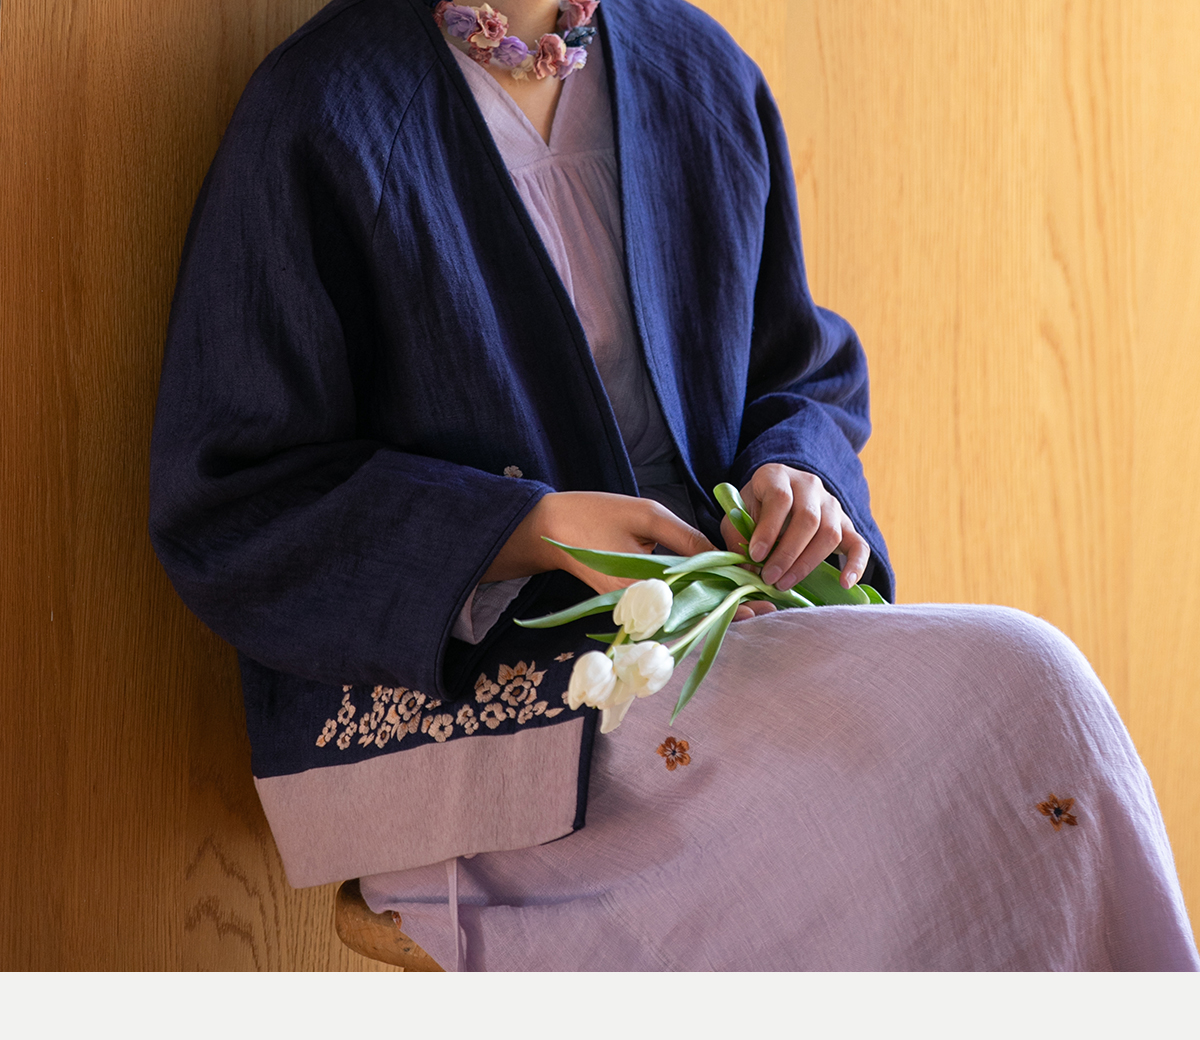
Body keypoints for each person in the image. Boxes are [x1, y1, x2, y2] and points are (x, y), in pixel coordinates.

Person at [150, 0, 1199, 970]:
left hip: (723, 631)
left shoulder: (695, 67)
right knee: (920, 773)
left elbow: (801, 367)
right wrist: (526, 528)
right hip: (481, 704)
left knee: (1021, 690)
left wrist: (797, 471)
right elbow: (234, 498)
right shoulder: (322, 107)